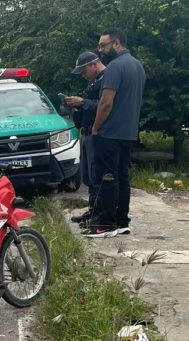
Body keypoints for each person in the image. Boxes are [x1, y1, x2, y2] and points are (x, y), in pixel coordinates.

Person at [87, 27, 146, 238]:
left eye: (103, 45)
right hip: (128, 132)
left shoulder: (114, 67)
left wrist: (95, 128)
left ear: (117, 43)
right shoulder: (137, 66)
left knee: (107, 178)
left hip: (110, 132)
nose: (100, 50)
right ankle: (122, 221)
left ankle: (106, 224)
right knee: (122, 177)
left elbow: (105, 103)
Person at [65, 52, 106, 225]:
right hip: (87, 132)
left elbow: (105, 106)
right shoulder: (92, 82)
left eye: (84, 71)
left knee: (97, 176)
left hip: (99, 133)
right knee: (88, 177)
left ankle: (99, 215)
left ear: (94, 65)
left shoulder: (106, 80)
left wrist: (83, 103)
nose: (83, 75)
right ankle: (92, 210)